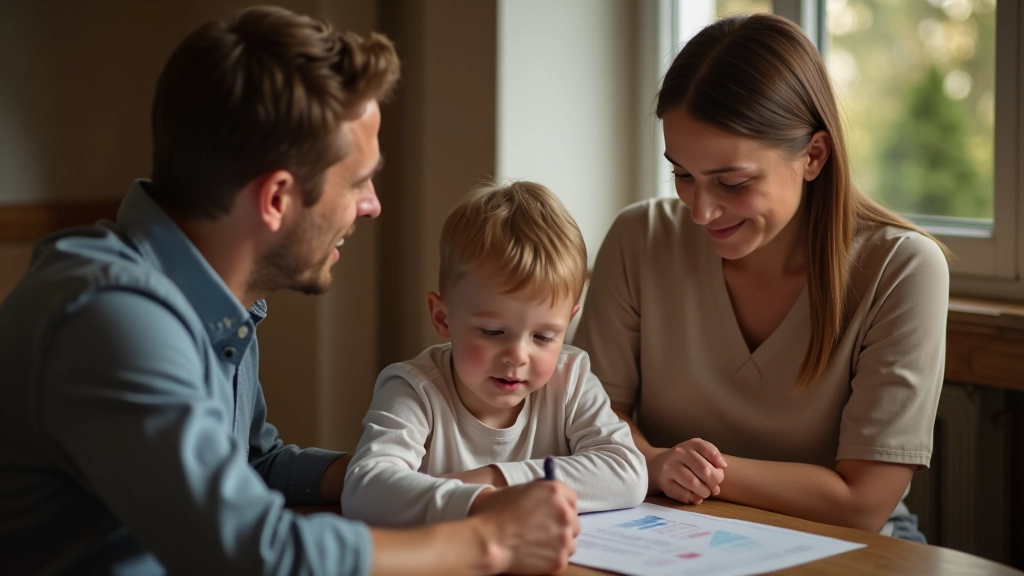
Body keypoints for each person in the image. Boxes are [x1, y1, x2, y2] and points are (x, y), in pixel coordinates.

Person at [0, 7, 578, 575]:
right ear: (277, 198)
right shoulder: (111, 319)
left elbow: (253, 465)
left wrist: (393, 480)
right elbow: (256, 553)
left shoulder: (214, 300)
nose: (373, 205)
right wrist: (488, 541)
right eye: (357, 181)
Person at [573, 13, 949, 541]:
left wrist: (675, 467)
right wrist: (656, 466)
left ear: (813, 156)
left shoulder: (902, 269)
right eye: (683, 174)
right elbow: (589, 421)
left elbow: (861, 505)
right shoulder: (641, 238)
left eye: (731, 181)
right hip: (664, 526)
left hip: (849, 546)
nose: (700, 210)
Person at [342, 181, 647, 526]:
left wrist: (494, 479)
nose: (517, 355)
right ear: (443, 317)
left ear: (568, 323)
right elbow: (364, 489)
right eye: (492, 332)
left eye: (544, 336)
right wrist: (486, 503)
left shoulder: (570, 378)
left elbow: (627, 472)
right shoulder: (413, 389)